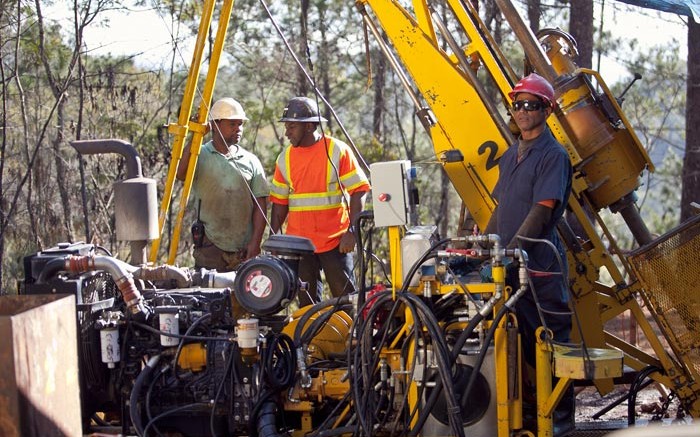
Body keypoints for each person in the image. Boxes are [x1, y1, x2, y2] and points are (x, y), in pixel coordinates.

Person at [487, 74, 574, 435]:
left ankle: (560, 424)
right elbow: (502, 206)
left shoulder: (553, 155)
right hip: (507, 267)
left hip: (537, 267)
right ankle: (526, 418)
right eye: (518, 104)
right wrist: (479, 241)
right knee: (517, 346)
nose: (522, 111)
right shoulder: (512, 154)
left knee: (551, 345)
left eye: (531, 105)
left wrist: (513, 250)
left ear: (547, 109)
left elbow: (542, 209)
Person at [270, 96, 370, 307]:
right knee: (307, 305)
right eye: (286, 126)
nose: (287, 131)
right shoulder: (284, 158)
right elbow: (279, 203)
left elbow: (359, 190)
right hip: (300, 245)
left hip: (335, 242)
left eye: (292, 126)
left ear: (309, 126)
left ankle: (351, 339)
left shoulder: (337, 150)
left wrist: (352, 231)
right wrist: (274, 238)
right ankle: (313, 341)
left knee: (346, 302)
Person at [176, 97, 269, 273]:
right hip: (210, 246)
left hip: (244, 249)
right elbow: (181, 174)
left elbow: (261, 205)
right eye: (232, 124)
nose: (238, 129)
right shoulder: (200, 154)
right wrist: (197, 136)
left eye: (240, 124)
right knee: (210, 295)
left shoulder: (251, 161)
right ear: (215, 125)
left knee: (243, 297)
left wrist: (255, 243)